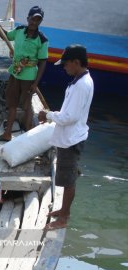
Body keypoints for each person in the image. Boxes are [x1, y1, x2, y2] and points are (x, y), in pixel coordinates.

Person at [38, 44, 94, 230]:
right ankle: (63, 211)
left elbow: (69, 117)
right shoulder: (80, 80)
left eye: (66, 64)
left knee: (68, 180)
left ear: (76, 62)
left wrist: (48, 114)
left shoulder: (81, 85)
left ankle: (64, 218)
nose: (64, 67)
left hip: (72, 139)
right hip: (71, 136)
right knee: (65, 176)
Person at [0, 6, 49, 141]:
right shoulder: (19, 30)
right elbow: (6, 36)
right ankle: (8, 134)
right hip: (15, 73)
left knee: (26, 106)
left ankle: (29, 135)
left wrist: (35, 83)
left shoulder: (42, 39)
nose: (34, 22)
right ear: (28, 18)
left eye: (38, 20)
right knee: (12, 103)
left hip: (29, 76)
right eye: (33, 19)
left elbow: (43, 62)